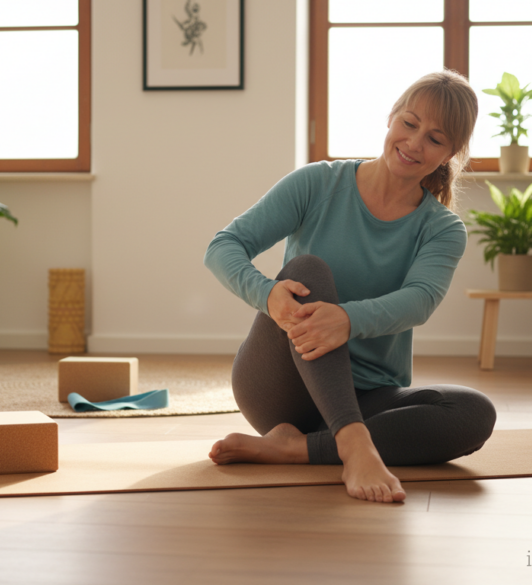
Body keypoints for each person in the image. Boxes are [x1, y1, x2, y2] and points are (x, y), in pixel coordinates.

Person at [203, 70, 496, 504]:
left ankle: (299, 447)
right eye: (410, 124)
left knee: (473, 412)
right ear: (392, 117)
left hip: (369, 394)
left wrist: (347, 320)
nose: (415, 143)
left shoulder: (442, 229)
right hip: (281, 389)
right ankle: (354, 444)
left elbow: (420, 300)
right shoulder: (318, 183)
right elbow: (223, 246)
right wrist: (267, 294)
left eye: (435, 139)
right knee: (307, 270)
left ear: (452, 152)